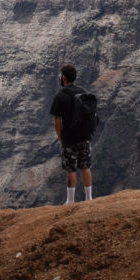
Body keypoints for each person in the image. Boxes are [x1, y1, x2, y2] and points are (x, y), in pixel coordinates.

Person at [50, 64, 94, 205]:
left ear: (63, 77)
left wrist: (61, 138)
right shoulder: (83, 92)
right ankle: (89, 198)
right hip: (85, 137)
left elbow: (57, 121)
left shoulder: (60, 96)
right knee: (85, 167)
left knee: (71, 169)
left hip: (69, 138)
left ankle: (70, 200)